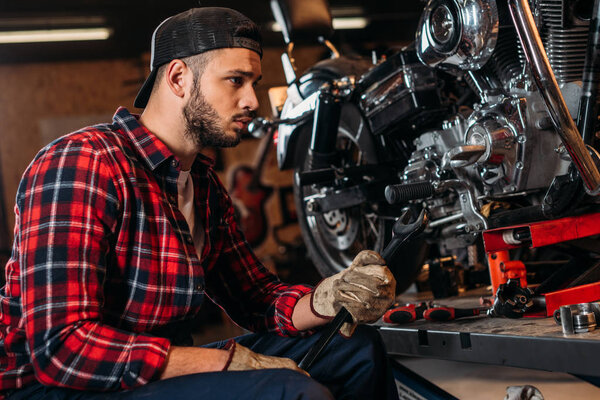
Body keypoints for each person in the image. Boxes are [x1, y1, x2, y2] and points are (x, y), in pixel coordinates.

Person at [0, 7, 398, 400]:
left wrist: (330, 297)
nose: (252, 102)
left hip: (154, 373)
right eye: (236, 81)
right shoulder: (84, 162)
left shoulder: (203, 185)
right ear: (178, 78)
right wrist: (224, 363)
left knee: (354, 350)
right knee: (284, 390)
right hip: (56, 388)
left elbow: (255, 298)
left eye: (254, 83)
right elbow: (62, 348)